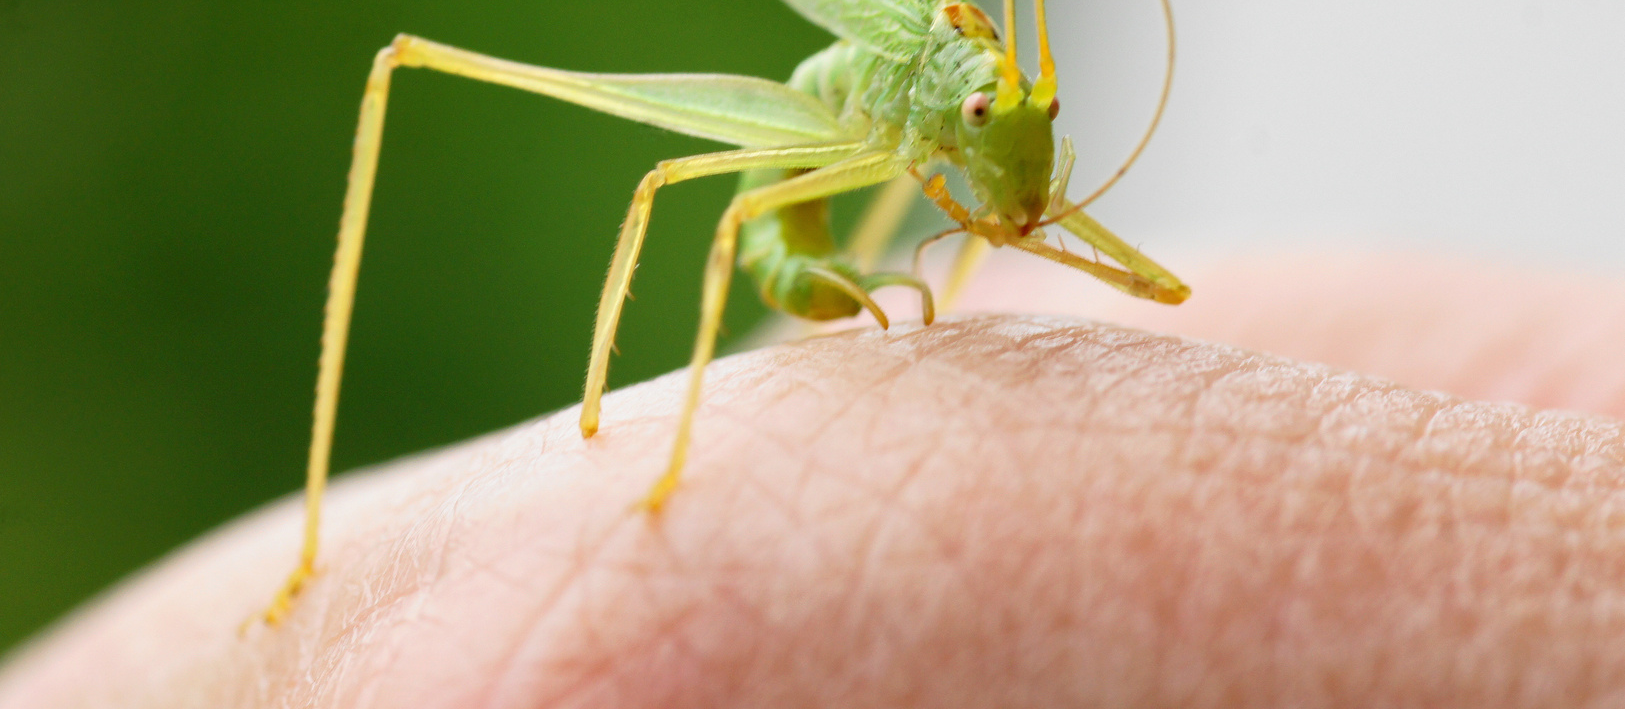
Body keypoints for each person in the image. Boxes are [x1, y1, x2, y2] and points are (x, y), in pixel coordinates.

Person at [2, 251, 1622, 706]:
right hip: (772, 182)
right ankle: (312, 536)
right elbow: (686, 202)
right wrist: (626, 440)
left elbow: (1172, 302)